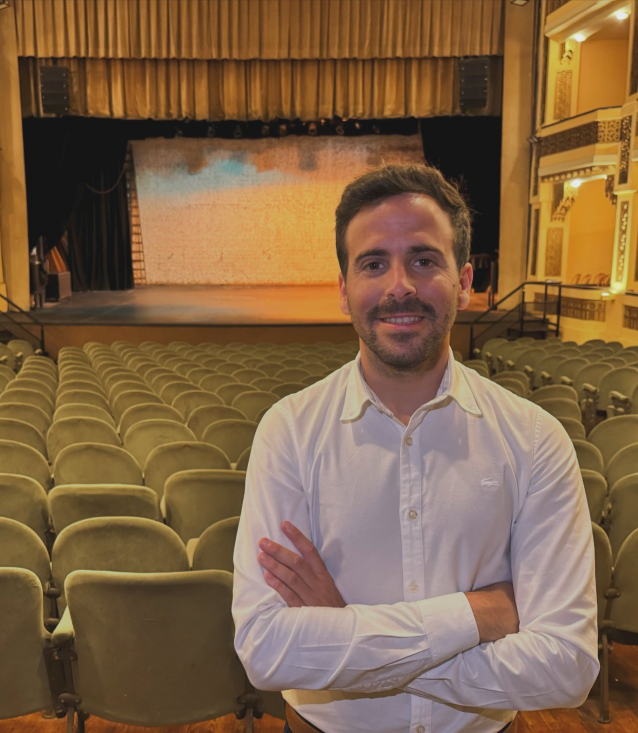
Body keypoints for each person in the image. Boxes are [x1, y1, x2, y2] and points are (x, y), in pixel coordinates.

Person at [232, 164, 599, 733]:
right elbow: (266, 651)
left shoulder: (534, 439)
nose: (398, 284)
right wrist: (479, 615)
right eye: (373, 263)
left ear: (464, 281)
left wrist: (347, 628)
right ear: (343, 289)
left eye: (424, 260)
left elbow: (566, 667)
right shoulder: (289, 431)